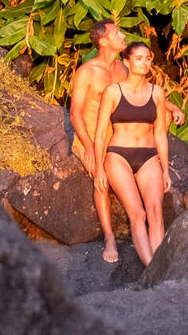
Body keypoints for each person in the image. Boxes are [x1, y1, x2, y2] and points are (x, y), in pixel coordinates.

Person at [93, 42, 171, 266]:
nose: (144, 63)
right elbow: (100, 133)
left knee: (155, 212)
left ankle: (157, 267)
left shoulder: (157, 92)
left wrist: (165, 169)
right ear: (126, 62)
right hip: (118, 156)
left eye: (148, 58)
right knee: (138, 215)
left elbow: (160, 134)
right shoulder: (113, 91)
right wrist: (99, 169)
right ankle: (151, 270)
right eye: (138, 58)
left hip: (148, 157)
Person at [67, 19, 129, 263]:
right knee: (102, 177)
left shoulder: (123, 68)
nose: (123, 37)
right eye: (117, 34)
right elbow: (75, 113)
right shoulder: (87, 72)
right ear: (103, 41)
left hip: (117, 134)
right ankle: (109, 237)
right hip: (92, 135)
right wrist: (89, 147)